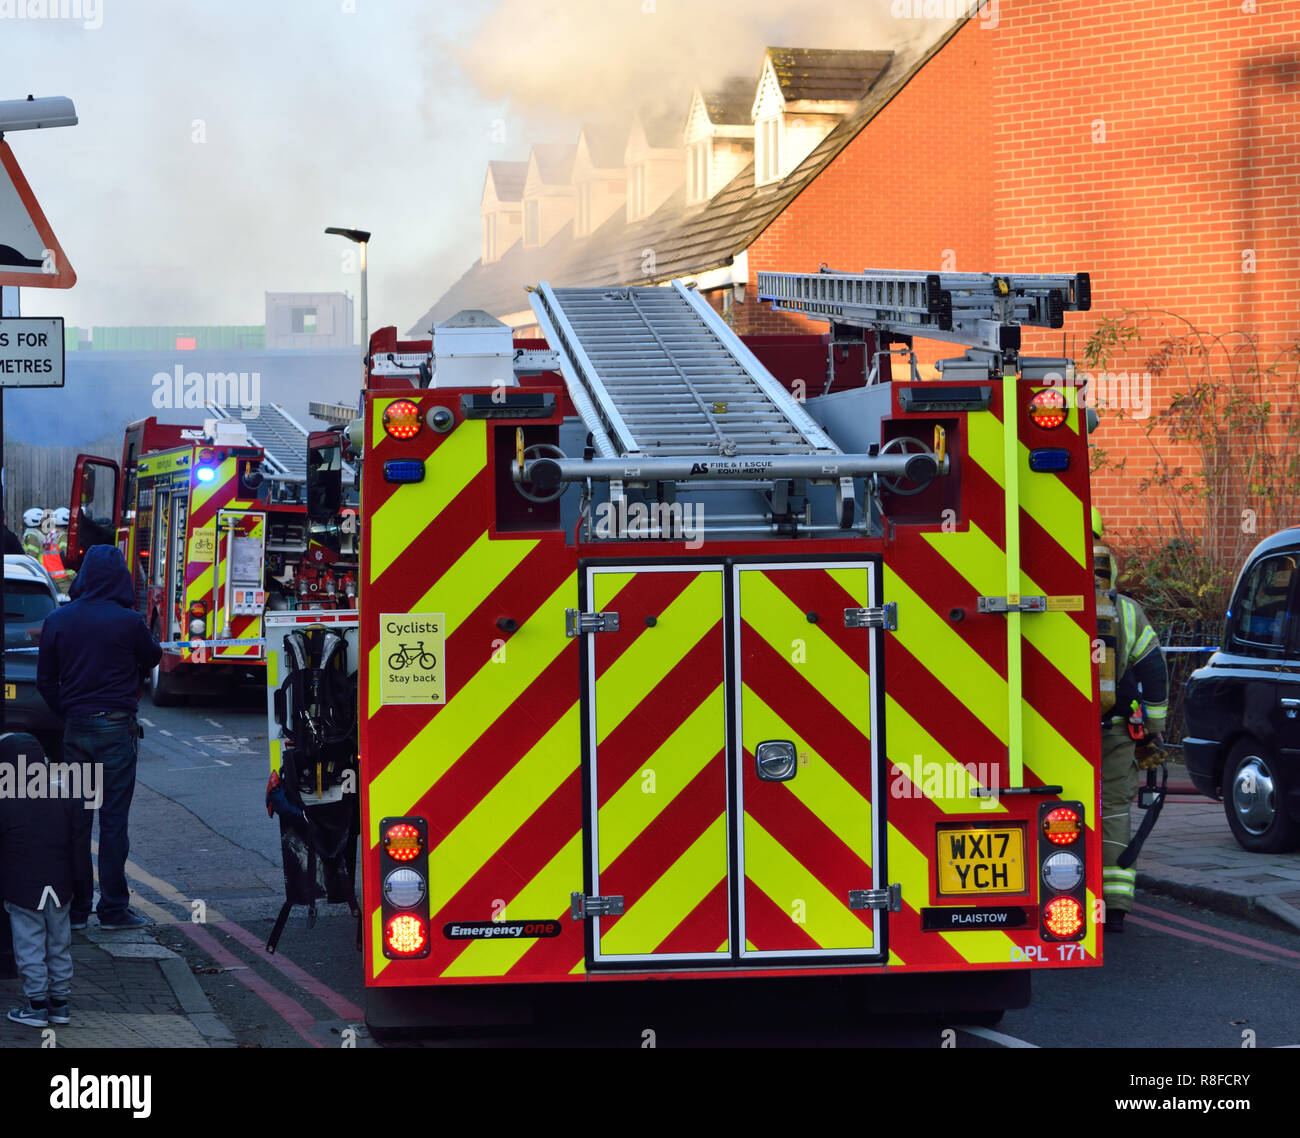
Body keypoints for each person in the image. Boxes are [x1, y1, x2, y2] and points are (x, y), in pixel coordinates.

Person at [35, 545, 161, 931]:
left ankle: (76, 909)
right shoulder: (128, 621)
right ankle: (113, 909)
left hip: (76, 731)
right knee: (113, 822)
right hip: (116, 730)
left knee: (77, 822)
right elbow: (154, 657)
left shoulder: (58, 620)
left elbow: (45, 681)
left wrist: (68, 713)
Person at [1094, 516, 1168, 934]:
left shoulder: (1034, 597)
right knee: (1115, 810)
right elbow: (1153, 670)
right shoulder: (1125, 610)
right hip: (1116, 731)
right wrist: (1154, 727)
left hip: (1053, 737)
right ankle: (1115, 904)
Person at [0, 732, 93, 1027]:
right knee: (59, 943)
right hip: (61, 886)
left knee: (29, 944)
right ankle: (60, 1004)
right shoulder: (66, 797)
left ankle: (36, 1004)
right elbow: (80, 850)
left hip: (22, 887)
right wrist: (83, 895)